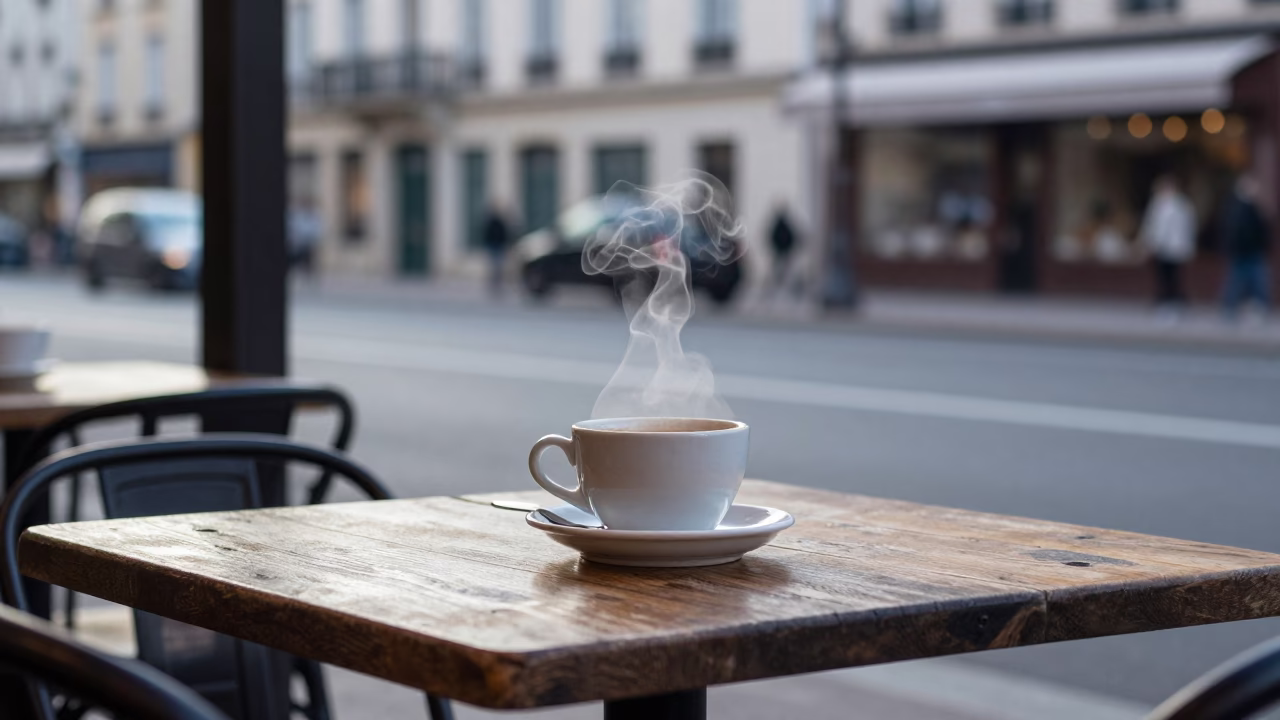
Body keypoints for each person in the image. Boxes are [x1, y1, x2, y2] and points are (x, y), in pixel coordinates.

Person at [1139, 175, 1196, 318]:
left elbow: (1187, 227)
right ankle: (1165, 303)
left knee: (1173, 277)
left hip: (1175, 247)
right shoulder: (1157, 204)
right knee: (1162, 276)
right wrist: (1148, 242)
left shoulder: (1182, 205)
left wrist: (1188, 246)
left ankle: (1175, 303)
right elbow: (1151, 225)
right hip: (1160, 247)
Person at [1219, 173, 1272, 320]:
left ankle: (1254, 308)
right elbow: (1236, 230)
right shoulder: (1238, 206)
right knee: (1240, 281)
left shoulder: (1251, 206)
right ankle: (1230, 310)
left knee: (1255, 282)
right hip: (1244, 251)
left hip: (1251, 251)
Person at [769, 206, 798, 294]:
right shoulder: (783, 225)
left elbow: (791, 237)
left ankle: (781, 282)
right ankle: (780, 282)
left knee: (782, 268)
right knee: (781, 268)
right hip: (781, 250)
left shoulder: (780, 226)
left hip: (782, 250)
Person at [483, 205, 511, 296]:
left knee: (497, 267)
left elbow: (504, 234)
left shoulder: (498, 222)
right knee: (496, 267)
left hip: (497, 246)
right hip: (494, 246)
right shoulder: (493, 222)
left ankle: (496, 284)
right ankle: (495, 284)